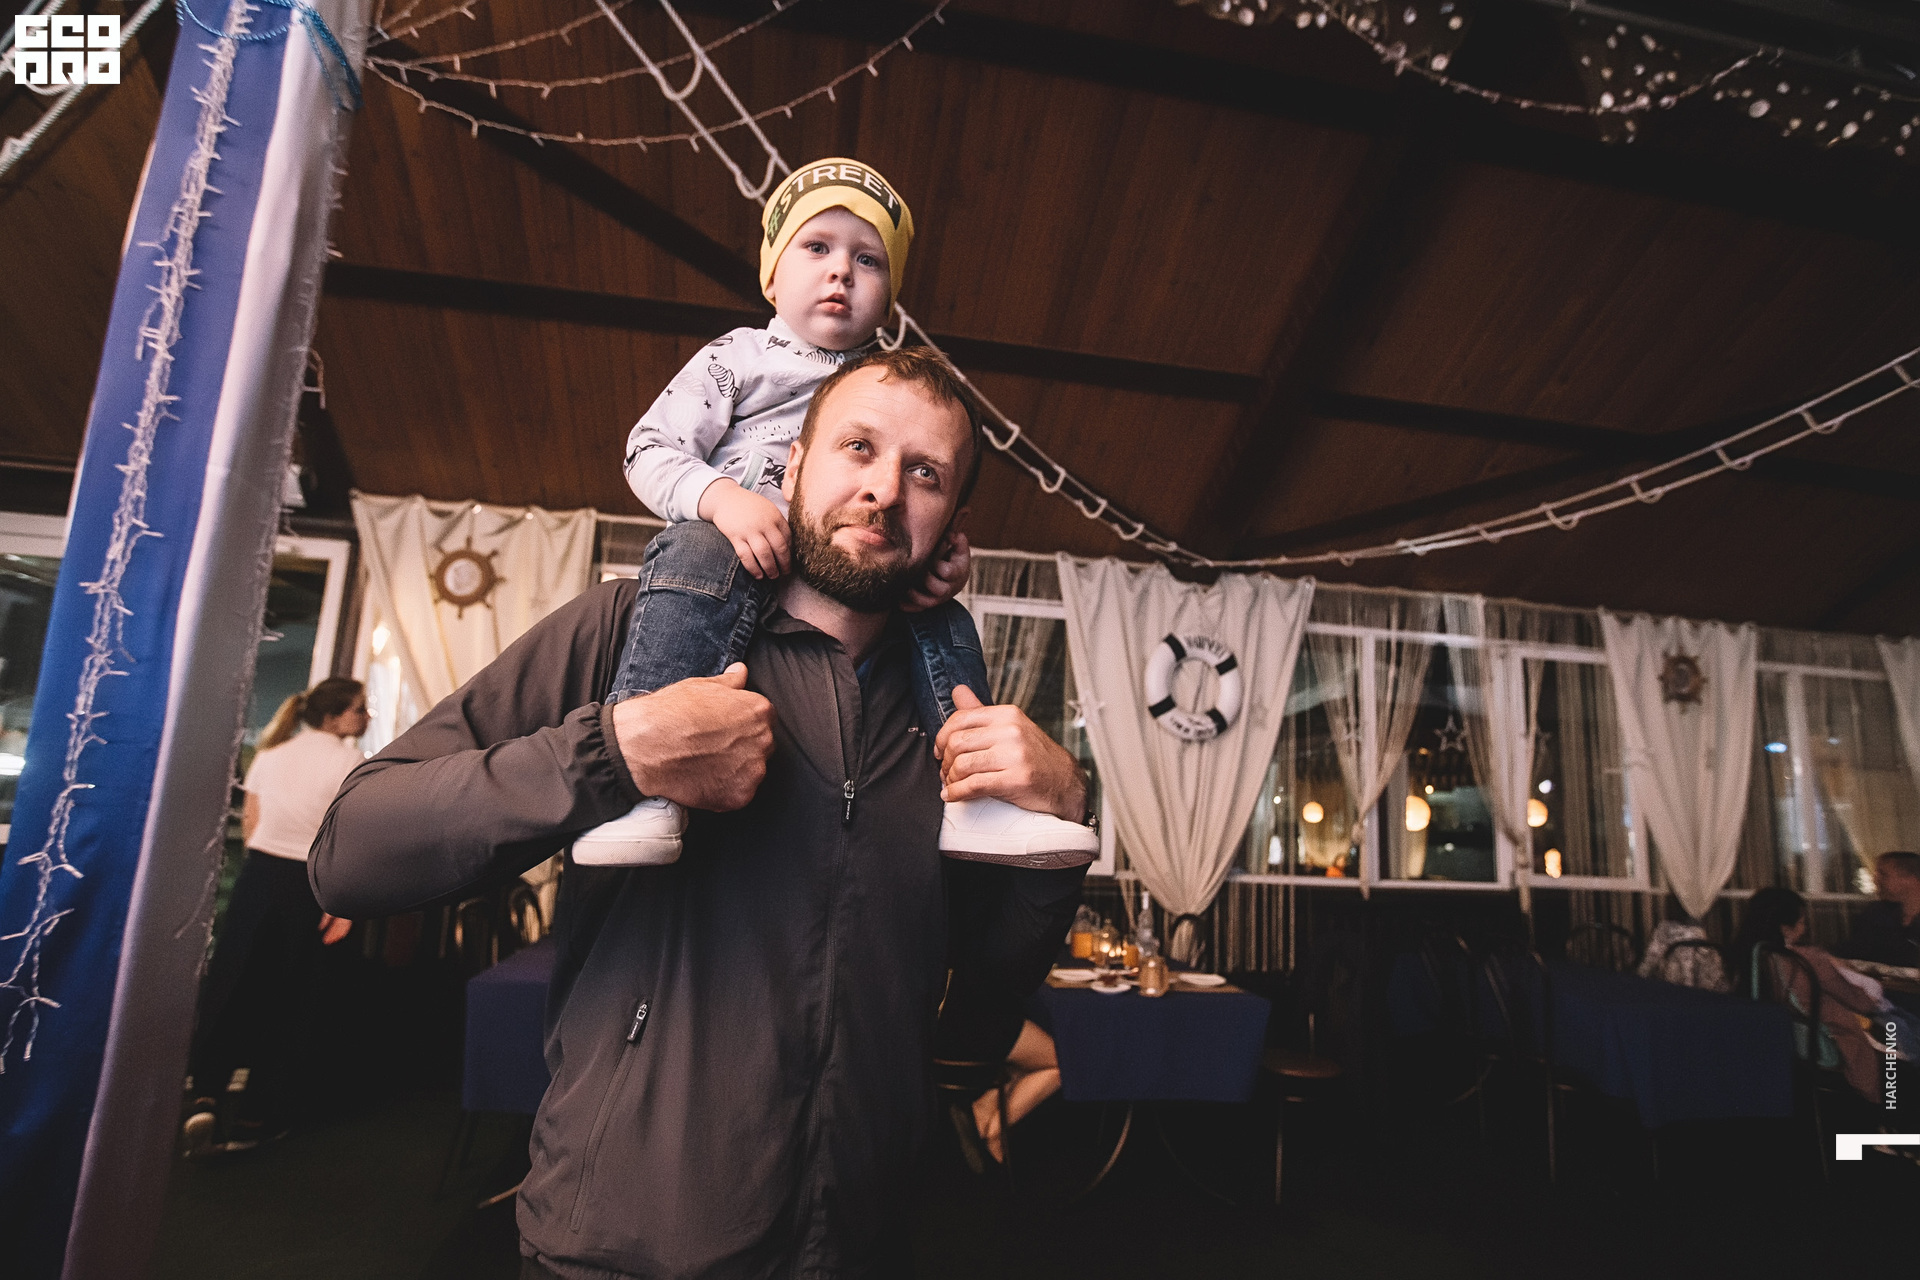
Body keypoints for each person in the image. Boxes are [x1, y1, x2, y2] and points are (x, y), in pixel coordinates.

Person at [311, 348, 1092, 1279]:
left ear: (952, 522)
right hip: (627, 1251)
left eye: (924, 473)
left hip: (859, 1248)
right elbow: (352, 851)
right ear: (791, 468)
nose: (884, 490)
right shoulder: (632, 632)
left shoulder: (953, 718)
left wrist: (1064, 825)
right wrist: (616, 752)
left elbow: (976, 1023)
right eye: (858, 447)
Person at [583, 157, 1096, 872]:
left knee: (943, 619)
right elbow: (648, 448)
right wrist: (721, 500)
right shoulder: (740, 357)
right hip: (727, 556)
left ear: (889, 297)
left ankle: (976, 796)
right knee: (693, 554)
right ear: (771, 275)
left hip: (833, 578)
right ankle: (645, 781)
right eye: (816, 247)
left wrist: (942, 561)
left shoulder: (886, 384)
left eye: (867, 260)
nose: (840, 273)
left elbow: (916, 495)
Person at [182, 677, 367, 1153]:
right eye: (359, 709)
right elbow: (348, 837)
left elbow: (251, 823)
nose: (366, 717)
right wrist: (341, 904)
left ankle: (205, 1093)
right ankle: (256, 1116)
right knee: (291, 996)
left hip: (259, 877)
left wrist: (261, 875)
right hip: (309, 882)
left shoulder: (271, 755)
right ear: (335, 717)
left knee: (234, 982)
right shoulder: (351, 762)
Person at [1732, 886, 1915, 1107]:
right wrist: (1867, 992)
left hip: (1793, 1036)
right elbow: (1855, 999)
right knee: (1899, 1027)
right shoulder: (1806, 959)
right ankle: (1891, 1107)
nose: (1805, 928)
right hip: (1829, 1035)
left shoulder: (1756, 955)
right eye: (1802, 922)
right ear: (1785, 928)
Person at [1841, 850, 1920, 969]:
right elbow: (1853, 950)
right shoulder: (1875, 914)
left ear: (1909, 879)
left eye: (1883, 875)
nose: (1875, 880)